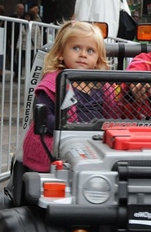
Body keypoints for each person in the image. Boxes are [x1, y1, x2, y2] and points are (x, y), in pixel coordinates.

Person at [21, 21, 112, 173]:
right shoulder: (53, 82)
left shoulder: (103, 86)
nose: (83, 54)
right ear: (61, 53)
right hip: (60, 144)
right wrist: (68, 128)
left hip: (95, 141)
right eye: (76, 48)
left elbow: (114, 114)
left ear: (98, 59)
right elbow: (44, 116)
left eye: (90, 51)